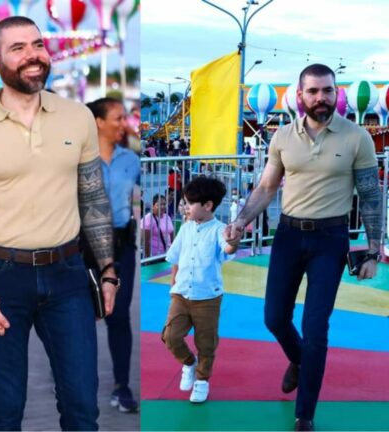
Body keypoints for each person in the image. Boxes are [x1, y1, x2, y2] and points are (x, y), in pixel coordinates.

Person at [0, 16, 118, 430]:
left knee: (82, 405)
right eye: (18, 48)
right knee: (6, 408)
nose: (33, 55)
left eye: (37, 45)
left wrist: (108, 271)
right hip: (0, 277)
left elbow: (93, 197)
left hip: (68, 275)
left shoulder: (77, 117)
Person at [224, 64, 382, 432]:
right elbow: (265, 188)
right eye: (313, 91)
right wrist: (241, 222)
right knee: (274, 318)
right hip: (289, 236)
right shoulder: (281, 137)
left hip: (330, 240)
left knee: (315, 328)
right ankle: (298, 360)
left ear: (335, 93)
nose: (321, 98)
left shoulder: (356, 137)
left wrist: (373, 250)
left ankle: (304, 415)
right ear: (300, 96)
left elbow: (371, 196)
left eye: (327, 91)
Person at [163, 176, 238, 404]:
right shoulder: (185, 229)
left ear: (207, 205)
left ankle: (202, 380)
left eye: (189, 203)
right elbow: (176, 257)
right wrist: (174, 283)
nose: (185, 207)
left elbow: (227, 248)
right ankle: (189, 363)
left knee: (206, 343)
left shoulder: (218, 230)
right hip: (181, 293)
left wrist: (233, 240)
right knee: (170, 336)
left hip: (207, 297)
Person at [87, 97, 140, 413]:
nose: (124, 124)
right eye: (118, 118)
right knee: (81, 316)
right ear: (98, 122)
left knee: (119, 315)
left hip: (122, 245)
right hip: (84, 247)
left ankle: (122, 386)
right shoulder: (77, 160)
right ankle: (76, 377)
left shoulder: (130, 161)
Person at [142, 193, 174, 258]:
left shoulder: (167, 217)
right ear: (153, 206)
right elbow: (145, 242)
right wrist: (148, 258)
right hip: (154, 256)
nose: (162, 206)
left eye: (164, 204)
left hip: (167, 254)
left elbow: (172, 236)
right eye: (159, 204)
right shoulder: (148, 218)